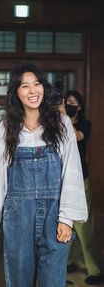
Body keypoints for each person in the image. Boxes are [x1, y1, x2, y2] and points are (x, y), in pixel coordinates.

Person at [0, 62, 88, 287]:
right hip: (17, 216)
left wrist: (66, 219)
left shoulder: (62, 124)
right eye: (25, 86)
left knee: (53, 282)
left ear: (44, 88)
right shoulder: (7, 128)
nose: (33, 91)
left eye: (37, 84)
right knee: (19, 281)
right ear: (16, 93)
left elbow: (72, 171)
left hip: (54, 214)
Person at [65, 90, 104, 285]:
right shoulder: (59, 124)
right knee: (67, 225)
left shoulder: (83, 125)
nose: (69, 105)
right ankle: (69, 262)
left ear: (79, 107)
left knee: (84, 227)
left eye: (73, 103)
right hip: (65, 181)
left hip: (81, 181)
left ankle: (96, 270)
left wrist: (66, 118)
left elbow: (75, 137)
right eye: (66, 102)